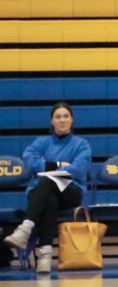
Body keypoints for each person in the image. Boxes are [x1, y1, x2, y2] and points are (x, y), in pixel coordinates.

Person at [3, 102, 91, 274]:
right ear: (52, 121)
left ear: (72, 120)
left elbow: (79, 169)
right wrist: (59, 165)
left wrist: (46, 168)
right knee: (49, 200)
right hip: (44, 193)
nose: (62, 120)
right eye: (58, 117)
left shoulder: (82, 144)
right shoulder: (42, 142)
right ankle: (44, 255)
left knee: (47, 180)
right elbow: (29, 160)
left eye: (66, 116)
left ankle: (25, 228)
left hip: (71, 191)